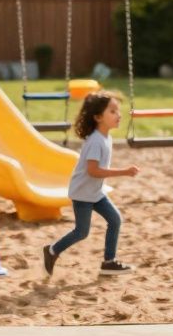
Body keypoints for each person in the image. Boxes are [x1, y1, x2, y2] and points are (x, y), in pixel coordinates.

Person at [42, 91, 139, 276]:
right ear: (97, 117)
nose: (119, 115)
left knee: (115, 219)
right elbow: (93, 171)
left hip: (95, 192)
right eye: (112, 111)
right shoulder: (96, 141)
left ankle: (109, 262)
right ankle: (52, 250)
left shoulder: (105, 138)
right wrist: (124, 172)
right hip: (83, 194)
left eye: (118, 111)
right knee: (81, 232)